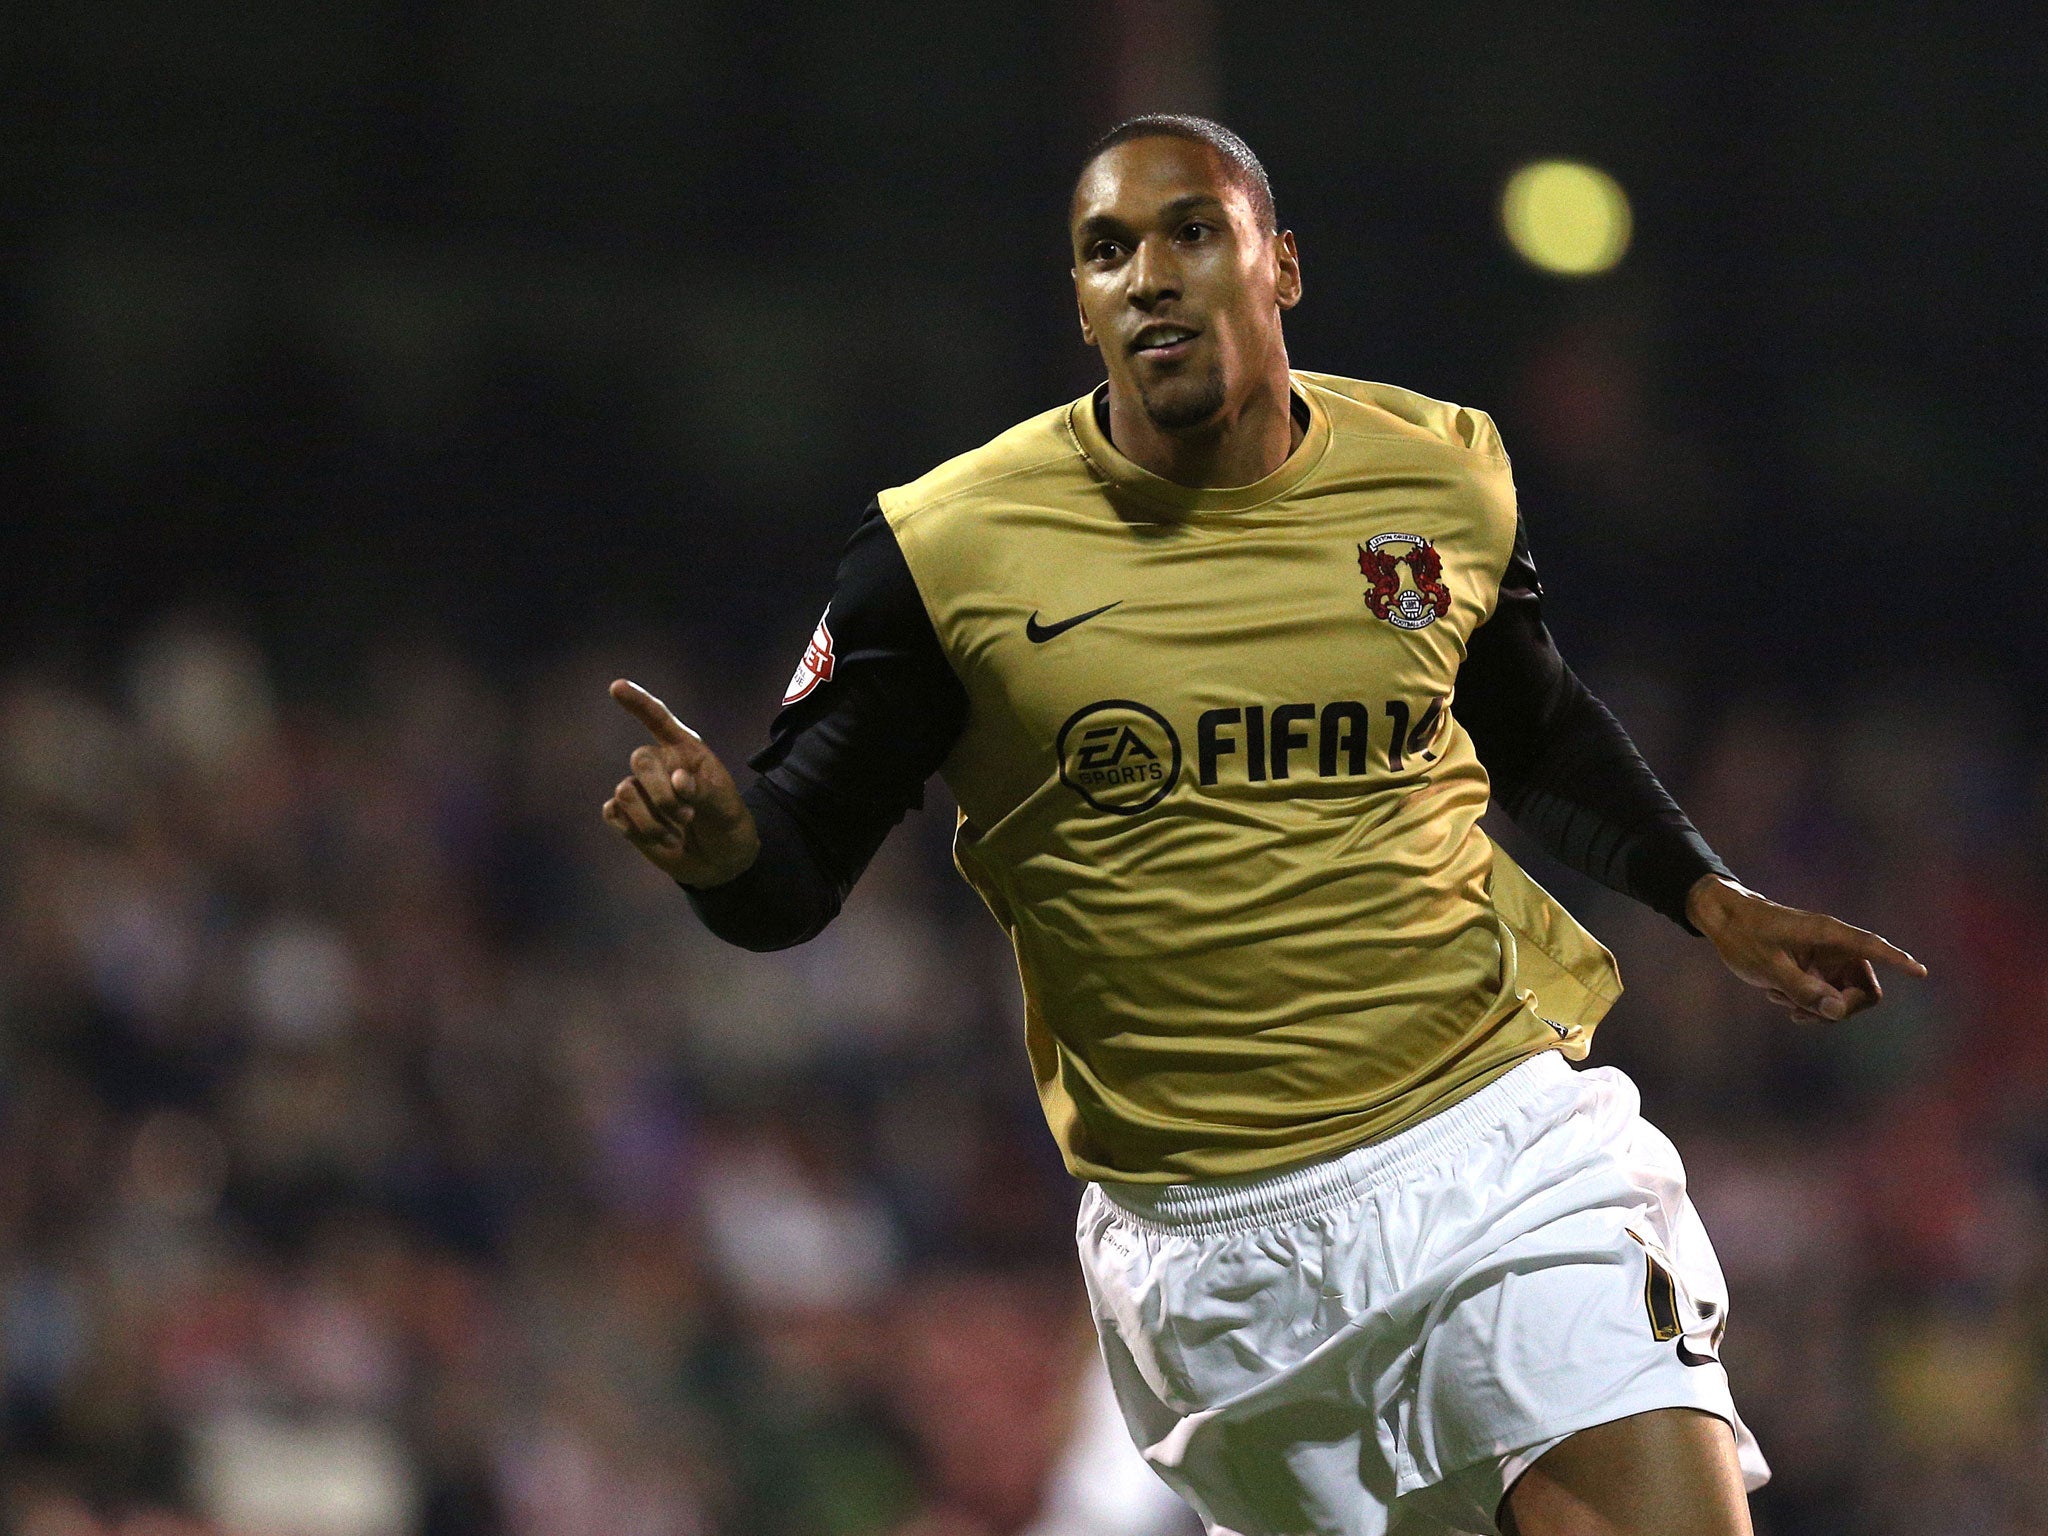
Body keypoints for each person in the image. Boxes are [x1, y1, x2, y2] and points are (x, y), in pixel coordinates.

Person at [600, 115, 1925, 1536]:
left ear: (1278, 265)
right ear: (1081, 303)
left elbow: (1524, 720)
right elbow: (789, 876)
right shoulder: (947, 551)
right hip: (1205, 1252)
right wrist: (726, 841)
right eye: (1108, 250)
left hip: (1494, 1141)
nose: (1149, 275)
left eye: (1191, 232)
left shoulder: (1438, 475)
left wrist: (1714, 903)